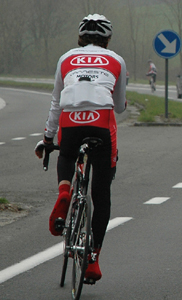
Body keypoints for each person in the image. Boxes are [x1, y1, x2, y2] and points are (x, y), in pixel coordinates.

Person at [34, 14, 127, 283]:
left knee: (65, 153)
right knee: (101, 194)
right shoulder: (117, 60)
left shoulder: (65, 58)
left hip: (70, 119)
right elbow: (119, 106)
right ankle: (93, 260)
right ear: (107, 38)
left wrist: (47, 139)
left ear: (80, 36)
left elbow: (55, 102)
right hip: (101, 122)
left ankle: (65, 191)